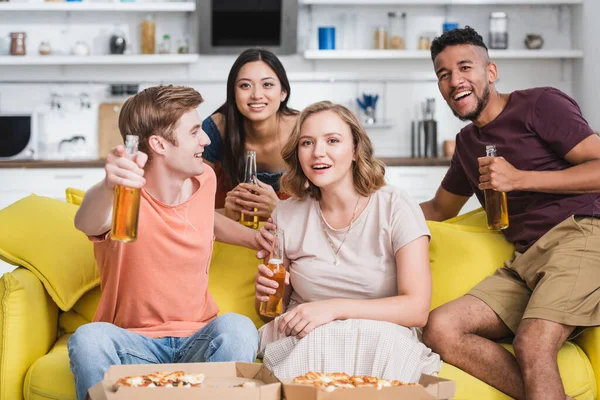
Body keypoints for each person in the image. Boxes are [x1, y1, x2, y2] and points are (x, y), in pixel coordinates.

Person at [420, 27, 600, 400]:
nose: (455, 81)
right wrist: (364, 207)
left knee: (533, 341)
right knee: (441, 328)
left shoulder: (539, 104)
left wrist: (520, 179)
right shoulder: (468, 145)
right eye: (443, 74)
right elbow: (439, 208)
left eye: (465, 67)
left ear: (491, 72)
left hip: (582, 235)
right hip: (525, 259)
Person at [68, 85, 274, 400]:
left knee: (238, 327)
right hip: (133, 345)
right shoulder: (123, 198)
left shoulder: (205, 179)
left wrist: (255, 239)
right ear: (159, 144)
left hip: (199, 341)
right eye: (194, 132)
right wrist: (109, 185)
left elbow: (204, 218)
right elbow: (87, 221)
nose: (206, 139)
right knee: (88, 339)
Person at [253, 100, 442, 382]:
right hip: (307, 340)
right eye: (307, 143)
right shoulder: (286, 214)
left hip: (381, 338)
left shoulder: (396, 206)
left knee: (384, 343)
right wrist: (268, 295)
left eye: (332, 140)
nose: (318, 152)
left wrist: (332, 308)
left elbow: (417, 309)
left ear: (355, 150)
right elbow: (276, 311)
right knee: (318, 340)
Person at [202, 48, 299, 222]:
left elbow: (324, 207)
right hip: (231, 234)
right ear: (233, 92)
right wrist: (227, 213)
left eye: (267, 84)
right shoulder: (214, 130)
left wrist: (279, 210)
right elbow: (190, 205)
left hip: (290, 237)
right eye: (245, 85)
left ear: (283, 92)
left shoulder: (304, 131)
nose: (256, 95)